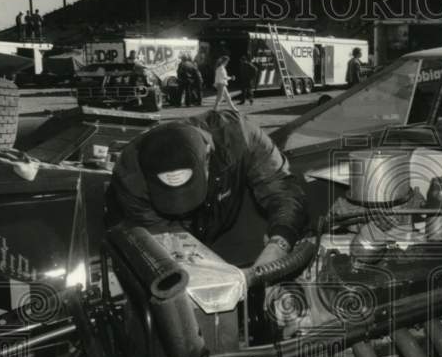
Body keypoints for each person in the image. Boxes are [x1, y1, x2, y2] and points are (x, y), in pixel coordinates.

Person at [105, 109, 308, 269]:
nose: (183, 208)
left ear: (208, 158)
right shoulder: (130, 176)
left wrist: (280, 242)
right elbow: (163, 239)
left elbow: (283, 189)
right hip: (171, 232)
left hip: (221, 228)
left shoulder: (240, 136)